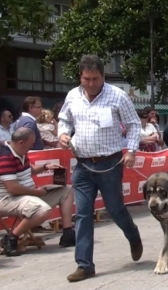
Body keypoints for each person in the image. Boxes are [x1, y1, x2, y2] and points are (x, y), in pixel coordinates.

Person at [57, 54, 143, 282]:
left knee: (115, 209)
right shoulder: (72, 96)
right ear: (81, 77)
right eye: (87, 79)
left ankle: (133, 235)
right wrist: (63, 134)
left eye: (95, 78)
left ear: (103, 76)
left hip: (110, 164)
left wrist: (131, 151)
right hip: (83, 164)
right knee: (83, 214)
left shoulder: (118, 96)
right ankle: (85, 265)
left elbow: (134, 124)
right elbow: (63, 120)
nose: (91, 83)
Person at [0, 127, 74, 256]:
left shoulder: (20, 152)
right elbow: (12, 188)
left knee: (66, 190)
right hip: (4, 200)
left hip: (23, 196)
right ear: (22, 142)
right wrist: (37, 192)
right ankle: (11, 238)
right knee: (42, 209)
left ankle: (68, 233)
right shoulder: (5, 156)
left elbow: (28, 169)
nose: (33, 146)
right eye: (31, 143)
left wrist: (45, 167)